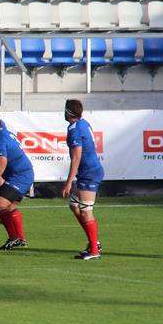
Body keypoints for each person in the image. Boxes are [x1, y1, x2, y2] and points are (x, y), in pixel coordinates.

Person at [0, 114, 34, 250]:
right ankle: (21, 239)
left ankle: (14, 237)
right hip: (24, 174)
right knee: (9, 208)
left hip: (19, 176)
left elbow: (2, 162)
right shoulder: (5, 134)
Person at [61, 99, 104, 260]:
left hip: (89, 173)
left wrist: (68, 182)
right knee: (74, 205)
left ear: (68, 112)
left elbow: (77, 156)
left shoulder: (75, 130)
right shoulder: (82, 123)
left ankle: (94, 250)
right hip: (88, 171)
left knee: (86, 211)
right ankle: (94, 242)